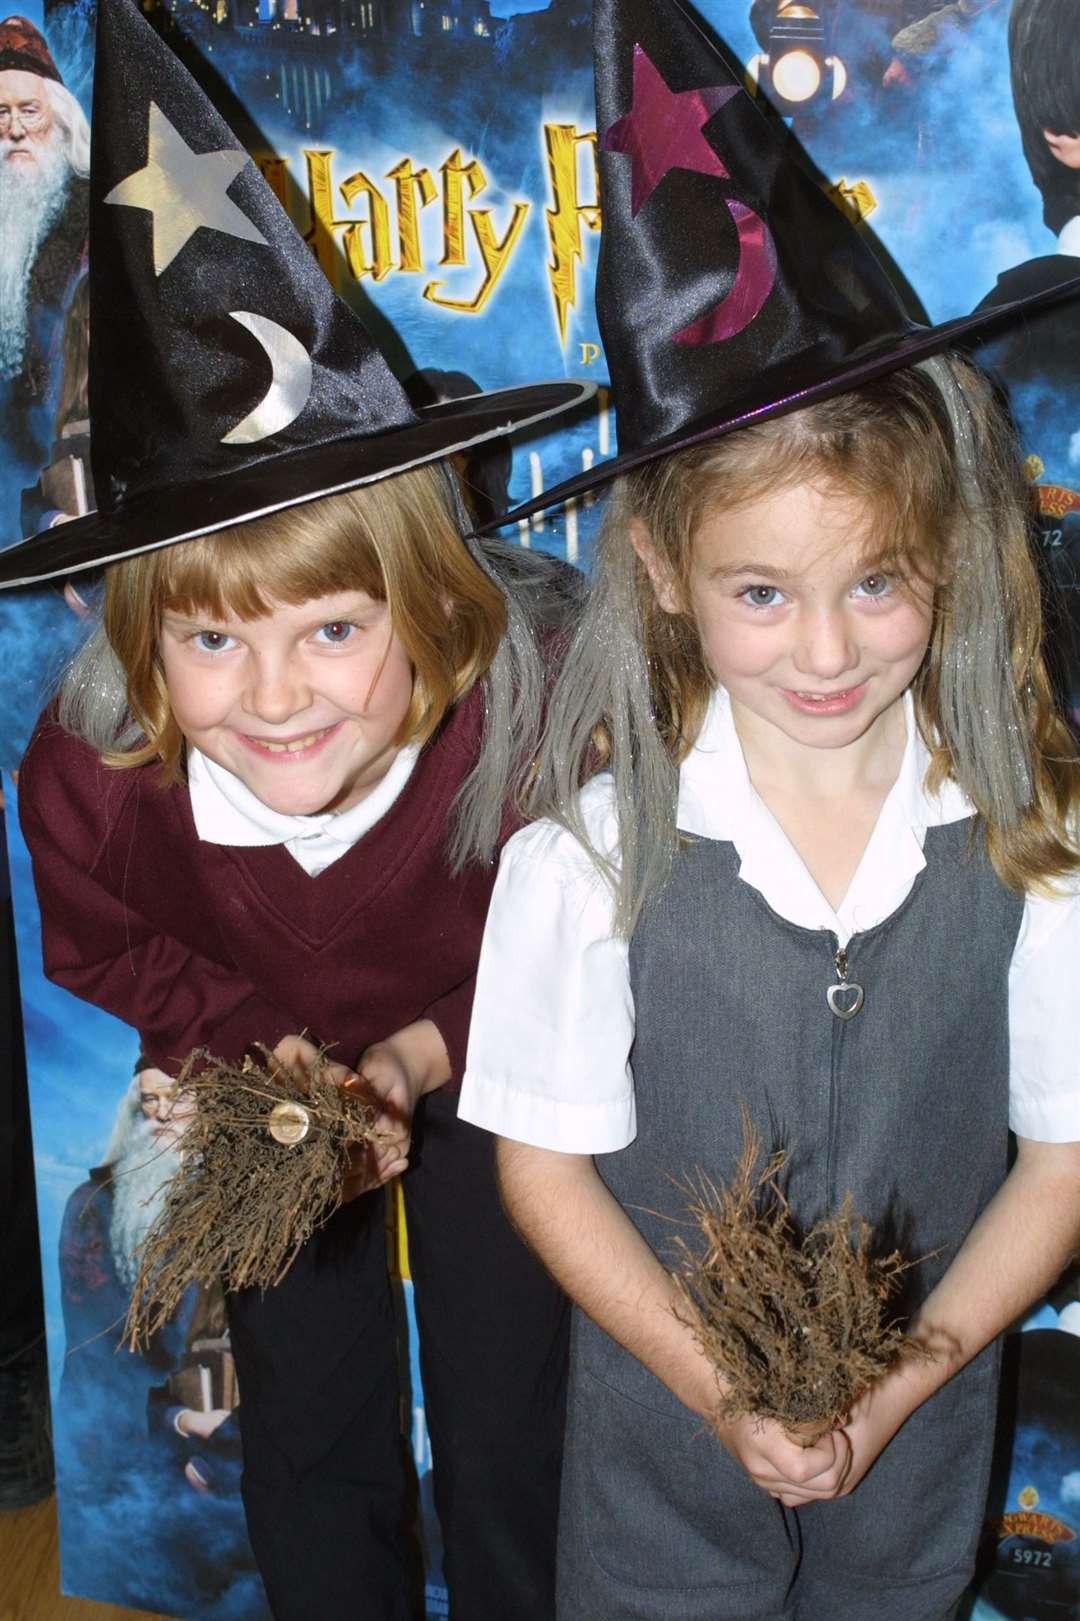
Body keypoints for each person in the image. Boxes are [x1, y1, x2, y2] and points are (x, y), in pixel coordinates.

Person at [458, 3, 1080, 1618]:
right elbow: (547, 1167)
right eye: (761, 591)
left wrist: (909, 1373)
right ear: (664, 576)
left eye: (878, 582)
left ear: (946, 556)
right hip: (659, 1469)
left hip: (920, 1450)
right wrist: (719, 1389)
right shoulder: (578, 866)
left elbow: (1063, 1164)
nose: (825, 648)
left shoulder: (1042, 854)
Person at [3, 0, 590, 1614]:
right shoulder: (96, 774)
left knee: (510, 1394)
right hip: (273, 1088)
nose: (274, 699)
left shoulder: (523, 732)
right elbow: (109, 947)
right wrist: (253, 1041)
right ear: (141, 638)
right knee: (309, 1409)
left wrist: (414, 1063)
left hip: (493, 1063)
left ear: (431, 605)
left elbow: (584, 945)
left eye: (334, 629)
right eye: (211, 638)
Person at [0, 14, 89, 527]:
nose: (14, 130)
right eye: (0, 113)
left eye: (28, 111)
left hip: (81, 485)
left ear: (58, 119)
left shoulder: (98, 215)